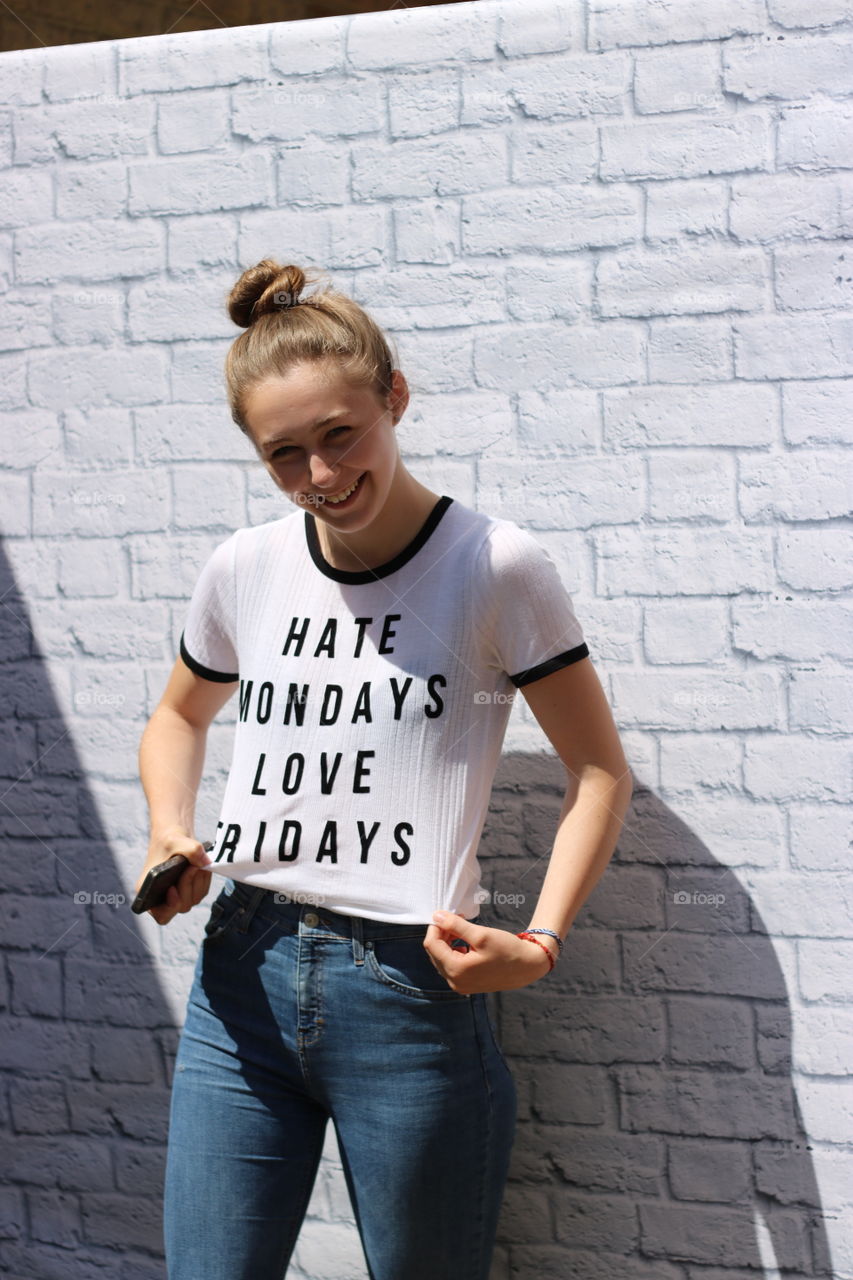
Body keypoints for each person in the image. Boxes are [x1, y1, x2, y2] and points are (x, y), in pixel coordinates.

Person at [135, 258, 633, 1280]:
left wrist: (537, 943)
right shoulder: (245, 566)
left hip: (408, 984)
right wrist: (169, 829)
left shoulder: (494, 565)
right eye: (283, 455)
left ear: (393, 397)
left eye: (338, 435)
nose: (318, 474)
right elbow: (178, 717)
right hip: (241, 972)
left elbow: (597, 771)